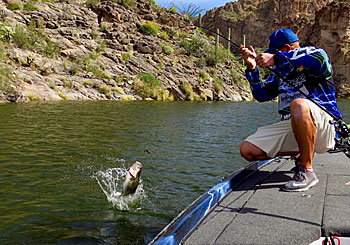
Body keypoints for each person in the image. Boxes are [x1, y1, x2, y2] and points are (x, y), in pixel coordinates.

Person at [238, 29, 342, 192]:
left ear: (285, 48)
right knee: (248, 149)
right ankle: (301, 153)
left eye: (274, 52)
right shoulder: (279, 74)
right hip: (295, 128)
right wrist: (253, 70)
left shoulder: (316, 57)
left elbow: (317, 56)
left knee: (299, 104)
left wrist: (276, 58)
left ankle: (306, 171)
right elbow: (261, 95)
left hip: (325, 126)